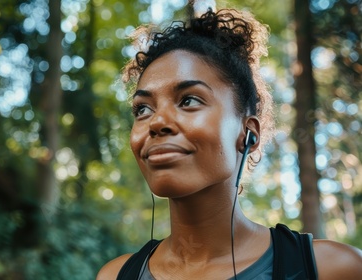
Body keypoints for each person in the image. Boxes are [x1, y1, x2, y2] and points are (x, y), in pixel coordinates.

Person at [97, 2, 362, 280]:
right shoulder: (115, 275)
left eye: (188, 100)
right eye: (143, 109)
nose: (157, 122)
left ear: (249, 133)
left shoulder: (334, 268)